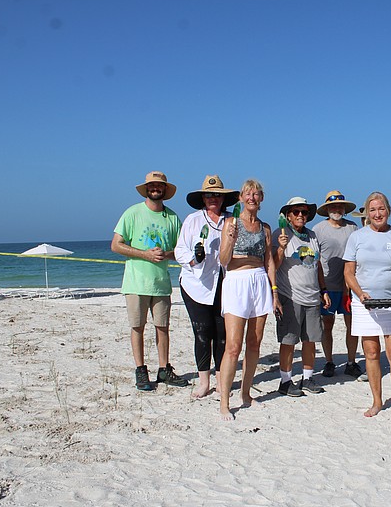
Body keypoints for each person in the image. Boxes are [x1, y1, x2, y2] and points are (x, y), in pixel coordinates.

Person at [343, 191, 391, 424]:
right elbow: (348, 272)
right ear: (367, 213)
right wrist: (359, 293)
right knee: (372, 353)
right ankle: (377, 401)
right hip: (364, 303)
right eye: (373, 209)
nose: (377, 213)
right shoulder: (357, 237)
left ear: (389, 210)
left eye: (381, 208)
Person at [111, 171, 187, 391]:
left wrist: (167, 254)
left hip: (161, 283)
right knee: (138, 327)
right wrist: (145, 254)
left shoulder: (172, 218)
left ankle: (164, 370)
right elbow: (116, 245)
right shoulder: (132, 213)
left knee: (162, 327)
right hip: (136, 283)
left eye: (160, 186)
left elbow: (180, 251)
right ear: (146, 189)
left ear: (165, 190)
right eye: (152, 185)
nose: (156, 188)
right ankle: (140, 370)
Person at [218, 179, 280, 420]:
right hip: (236, 281)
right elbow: (223, 260)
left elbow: (269, 262)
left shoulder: (265, 228)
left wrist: (274, 292)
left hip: (259, 282)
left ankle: (246, 394)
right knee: (233, 347)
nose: (252, 198)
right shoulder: (230, 223)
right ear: (241, 198)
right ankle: (224, 401)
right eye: (248, 194)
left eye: (256, 194)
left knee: (254, 344)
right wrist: (230, 240)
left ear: (261, 199)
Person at [175, 175, 239, 399]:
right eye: (209, 195)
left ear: (224, 199)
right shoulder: (193, 220)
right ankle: (204, 381)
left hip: (225, 283)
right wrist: (194, 258)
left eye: (218, 195)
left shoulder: (232, 220)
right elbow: (179, 250)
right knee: (202, 332)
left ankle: (222, 382)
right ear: (203, 198)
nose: (213, 199)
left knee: (223, 333)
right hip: (196, 284)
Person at [273, 197, 331, 396]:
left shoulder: (313, 236)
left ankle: (307, 378)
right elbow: (272, 265)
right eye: (296, 212)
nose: (300, 215)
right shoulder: (280, 234)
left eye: (304, 212)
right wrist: (281, 247)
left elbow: (318, 265)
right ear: (288, 215)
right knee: (289, 340)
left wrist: (323, 291)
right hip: (290, 295)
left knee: (311, 339)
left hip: (313, 296)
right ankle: (285, 381)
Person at [313, 190, 361, 379]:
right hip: (327, 285)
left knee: (352, 324)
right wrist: (319, 286)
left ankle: (351, 362)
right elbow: (314, 260)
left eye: (340, 206)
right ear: (327, 209)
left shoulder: (353, 228)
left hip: (349, 286)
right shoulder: (318, 230)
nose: (337, 209)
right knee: (327, 324)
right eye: (333, 206)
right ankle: (329, 361)